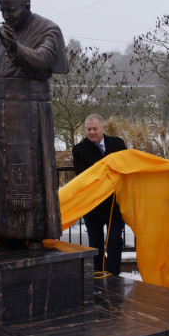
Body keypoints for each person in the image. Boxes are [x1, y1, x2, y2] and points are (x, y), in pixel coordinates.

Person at [0, 0, 68, 244]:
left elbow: (43, 62)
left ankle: (32, 233)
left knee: (27, 175)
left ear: (27, 6)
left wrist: (16, 49)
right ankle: (1, 229)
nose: (5, 16)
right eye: (2, 11)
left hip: (27, 116)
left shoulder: (47, 29)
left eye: (10, 10)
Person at [72, 114, 126, 275]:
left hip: (115, 205)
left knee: (115, 242)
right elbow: (82, 176)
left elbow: (128, 165)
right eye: (88, 129)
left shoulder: (117, 143)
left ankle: (113, 277)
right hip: (93, 206)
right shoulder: (79, 150)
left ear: (103, 128)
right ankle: (97, 279)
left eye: (94, 128)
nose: (91, 132)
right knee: (95, 246)